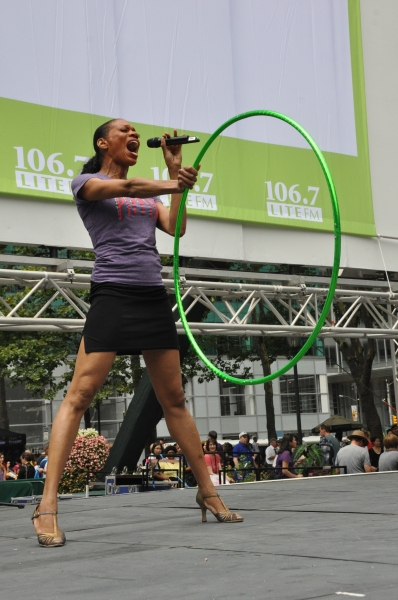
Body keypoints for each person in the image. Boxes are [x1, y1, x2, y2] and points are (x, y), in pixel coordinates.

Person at [31, 119, 243, 547]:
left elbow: (177, 227)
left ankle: (208, 492)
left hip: (151, 297)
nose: (133, 136)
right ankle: (47, 504)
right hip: (112, 294)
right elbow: (127, 191)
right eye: (124, 131)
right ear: (102, 142)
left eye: (135, 133)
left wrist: (177, 179)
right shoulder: (86, 182)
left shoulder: (150, 191)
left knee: (175, 400)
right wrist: (171, 181)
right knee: (79, 395)